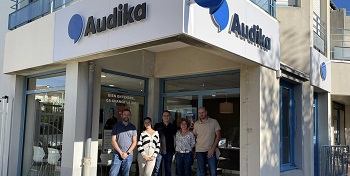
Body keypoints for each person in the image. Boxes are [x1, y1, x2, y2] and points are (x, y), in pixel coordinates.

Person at [193, 107, 221, 176]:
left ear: (206, 112)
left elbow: (218, 135)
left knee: (213, 172)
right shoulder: (196, 124)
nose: (201, 114)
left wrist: (213, 148)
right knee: (202, 172)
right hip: (199, 151)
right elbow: (194, 136)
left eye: (202, 112)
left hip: (210, 150)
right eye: (199, 113)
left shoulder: (214, 122)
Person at [110, 109, 137, 176]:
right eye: (125, 114)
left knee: (125, 174)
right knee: (113, 173)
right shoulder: (116, 126)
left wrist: (127, 153)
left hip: (128, 155)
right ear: (121, 116)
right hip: (117, 154)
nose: (126, 116)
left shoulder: (133, 127)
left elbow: (134, 142)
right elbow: (113, 140)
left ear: (130, 116)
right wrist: (121, 152)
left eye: (128, 115)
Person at [153, 110, 177, 176]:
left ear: (170, 117)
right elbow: (153, 138)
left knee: (168, 170)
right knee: (157, 169)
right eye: (164, 115)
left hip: (169, 151)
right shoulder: (157, 126)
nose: (166, 117)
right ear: (162, 117)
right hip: (159, 151)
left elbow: (177, 137)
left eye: (167, 115)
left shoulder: (174, 127)